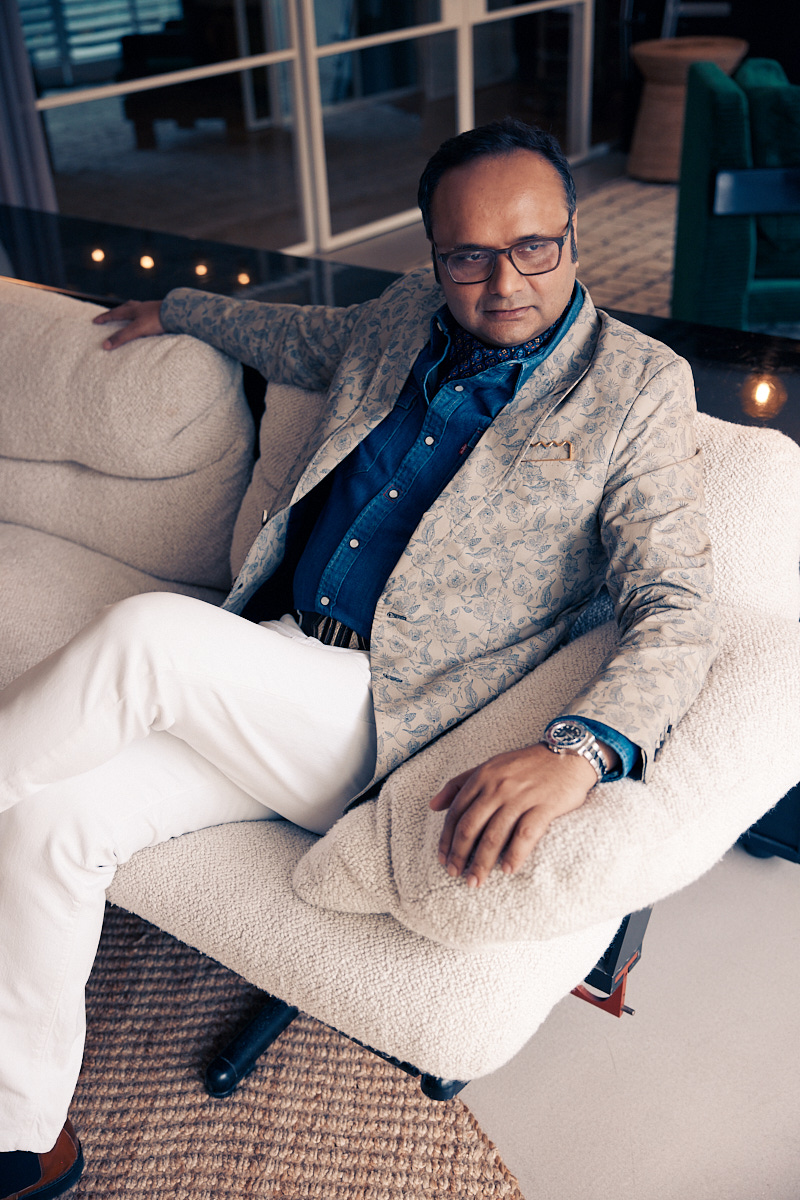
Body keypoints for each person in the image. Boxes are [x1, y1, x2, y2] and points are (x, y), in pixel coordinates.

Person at [0, 118, 718, 1199]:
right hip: (274, 674)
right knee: (47, 823)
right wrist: (179, 311)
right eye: (469, 254)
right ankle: (24, 1135)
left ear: (574, 236)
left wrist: (581, 748)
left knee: (149, 636)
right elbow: (293, 338)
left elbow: (676, 606)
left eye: (534, 246)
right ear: (433, 255)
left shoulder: (636, 388)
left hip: (388, 716)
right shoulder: (398, 322)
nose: (504, 281)